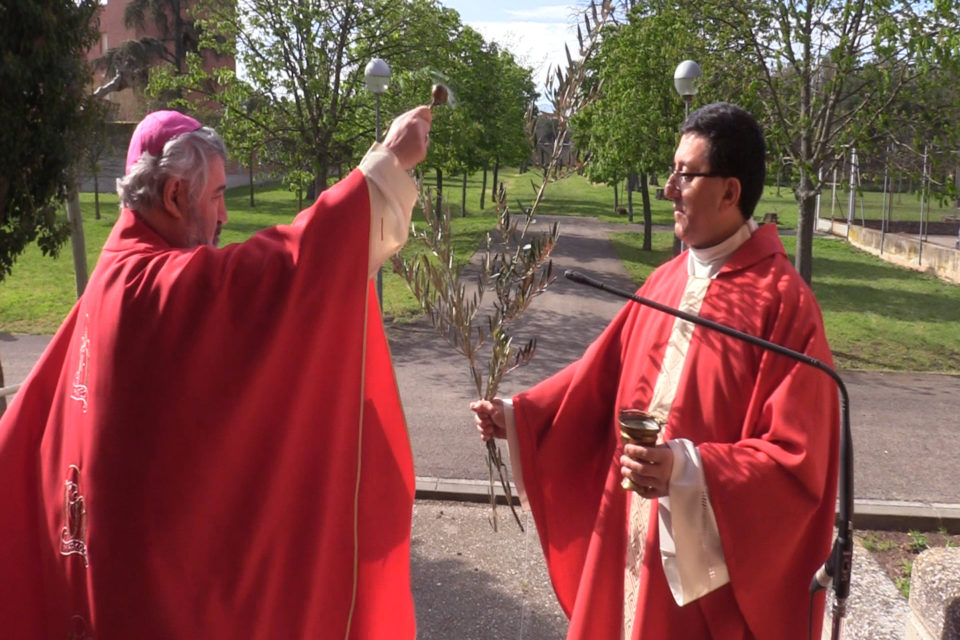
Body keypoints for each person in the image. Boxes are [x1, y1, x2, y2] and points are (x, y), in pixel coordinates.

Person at [0, 105, 431, 639]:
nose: (225, 216)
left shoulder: (113, 269)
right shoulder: (152, 287)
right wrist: (388, 164)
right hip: (150, 601)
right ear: (177, 195)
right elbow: (287, 273)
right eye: (218, 195)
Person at [471, 102, 839, 639]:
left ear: (730, 192)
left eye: (686, 175)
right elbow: (596, 378)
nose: (668, 188)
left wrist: (686, 471)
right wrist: (520, 416)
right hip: (628, 537)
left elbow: (797, 460)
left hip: (698, 575)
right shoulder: (664, 282)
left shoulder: (784, 305)